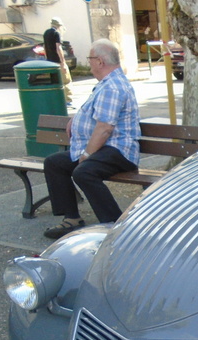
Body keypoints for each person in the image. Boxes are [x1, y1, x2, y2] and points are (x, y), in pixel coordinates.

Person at [42, 39, 141, 239]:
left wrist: (87, 154)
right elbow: (97, 115)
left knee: (84, 172)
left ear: (100, 61)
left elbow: (105, 128)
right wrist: (76, 119)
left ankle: (113, 225)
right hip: (106, 148)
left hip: (119, 151)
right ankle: (72, 218)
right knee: (54, 163)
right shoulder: (107, 83)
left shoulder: (113, 87)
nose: (88, 63)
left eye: (90, 58)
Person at [43, 17, 73, 106]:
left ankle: (57, 100)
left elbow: (44, 47)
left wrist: (47, 57)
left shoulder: (46, 33)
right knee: (66, 81)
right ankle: (68, 100)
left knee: (55, 81)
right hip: (57, 61)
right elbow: (58, 48)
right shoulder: (56, 33)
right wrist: (62, 62)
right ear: (58, 26)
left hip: (50, 62)